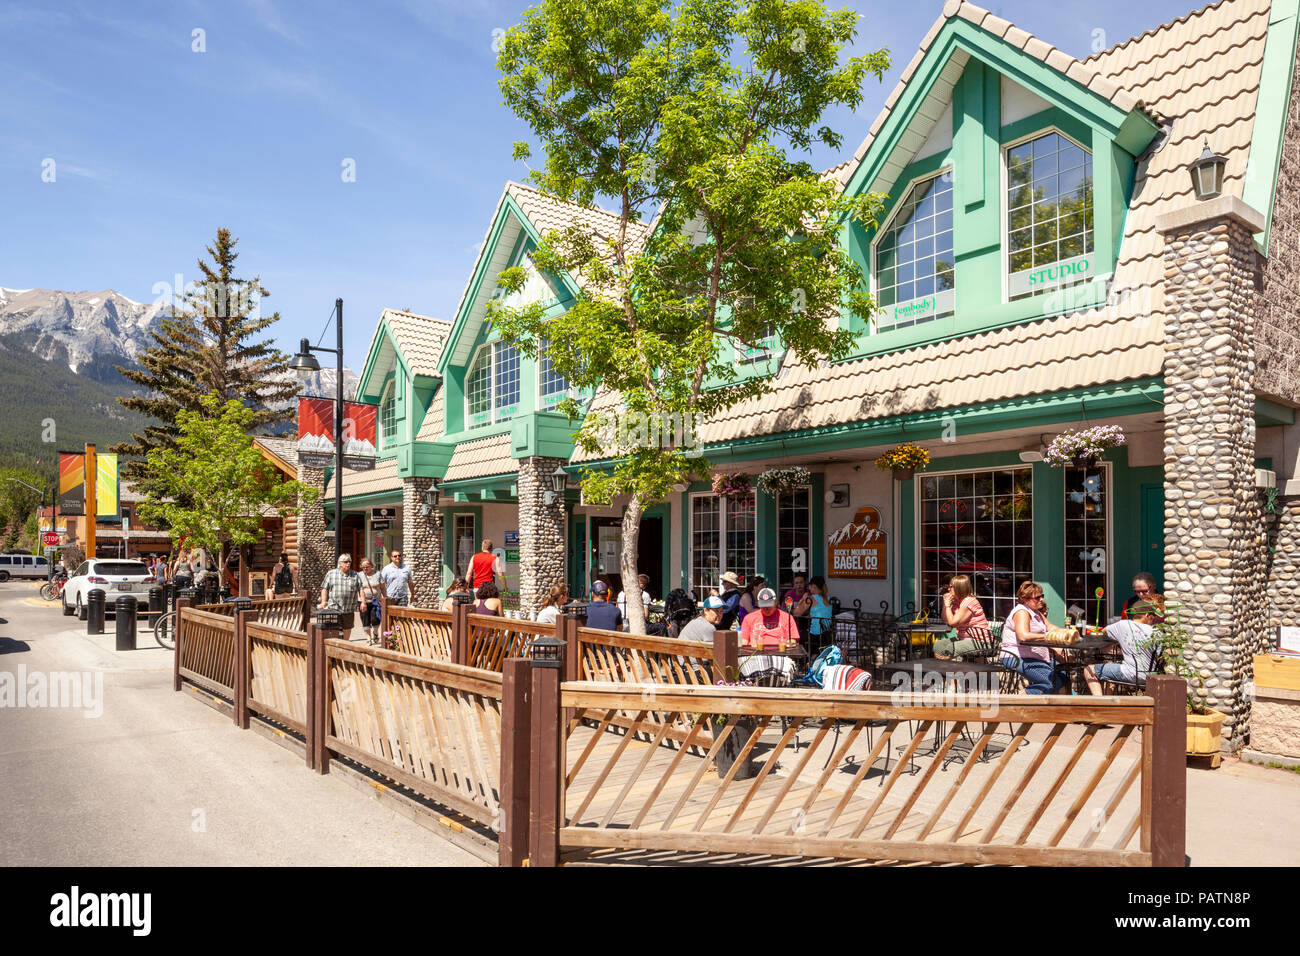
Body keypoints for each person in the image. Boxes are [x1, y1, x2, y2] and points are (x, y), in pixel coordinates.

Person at [1000, 580, 1069, 694]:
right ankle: (1020, 698)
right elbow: (1023, 636)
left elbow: (1050, 627)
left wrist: (1068, 633)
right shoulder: (1022, 612)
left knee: (1064, 674)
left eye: (1041, 596)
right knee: (1051, 682)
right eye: (1037, 598)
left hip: (1034, 656)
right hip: (1016, 656)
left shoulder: (1036, 612)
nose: (1041, 599)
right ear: (1026, 600)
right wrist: (1048, 637)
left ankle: (1055, 706)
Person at [1085, 598, 1164, 694]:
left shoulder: (1123, 625)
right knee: (1110, 667)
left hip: (1129, 674)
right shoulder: (1157, 632)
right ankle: (1106, 703)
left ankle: (1100, 703)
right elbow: (1160, 658)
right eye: (1153, 617)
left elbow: (1103, 631)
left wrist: (1120, 639)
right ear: (1147, 615)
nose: (1154, 620)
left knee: (1089, 670)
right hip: (1151, 676)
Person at [933, 574, 992, 659]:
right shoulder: (957, 602)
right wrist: (945, 605)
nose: (948, 589)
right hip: (964, 639)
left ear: (959, 588)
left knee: (953, 647)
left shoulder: (970, 601)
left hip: (981, 641)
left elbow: (953, 623)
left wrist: (947, 605)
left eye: (951, 587)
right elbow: (945, 621)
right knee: (939, 646)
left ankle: (954, 669)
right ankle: (944, 667)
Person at [319, 553, 362, 639]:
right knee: (334, 628)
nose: (348, 563)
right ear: (340, 563)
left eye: (349, 561)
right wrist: (323, 601)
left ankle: (345, 644)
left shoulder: (355, 574)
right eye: (346, 562)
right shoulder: (331, 573)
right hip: (334, 607)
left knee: (348, 628)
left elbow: (360, 589)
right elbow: (324, 588)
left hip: (348, 608)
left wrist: (363, 602)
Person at [357, 558, 384, 644]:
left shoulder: (378, 574)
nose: (365, 568)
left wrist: (385, 598)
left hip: (375, 601)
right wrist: (363, 602)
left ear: (371, 566)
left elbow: (383, 587)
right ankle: (368, 638)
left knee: (375, 619)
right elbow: (358, 589)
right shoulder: (359, 575)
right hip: (363, 601)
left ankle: (375, 633)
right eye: (363, 567)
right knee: (365, 620)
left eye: (367, 566)